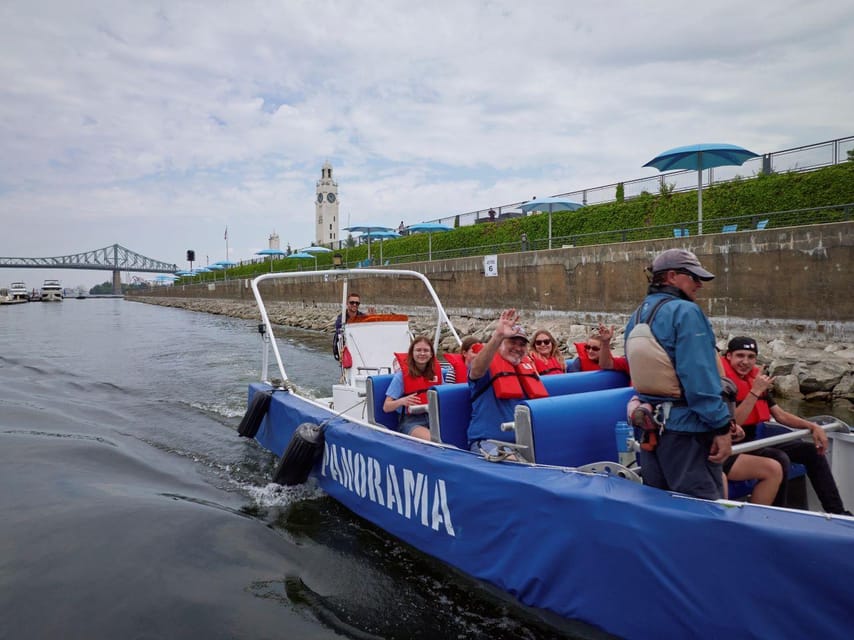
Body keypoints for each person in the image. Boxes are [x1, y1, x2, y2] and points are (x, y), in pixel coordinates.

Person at [624, 249, 733, 500]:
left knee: (660, 507)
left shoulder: (638, 315)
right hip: (688, 433)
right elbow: (699, 380)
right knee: (701, 511)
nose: (699, 285)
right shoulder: (686, 312)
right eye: (694, 277)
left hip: (653, 431)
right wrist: (722, 425)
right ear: (672, 276)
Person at [722, 336, 850, 514]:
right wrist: (754, 391)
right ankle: (777, 514)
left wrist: (813, 427)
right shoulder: (724, 384)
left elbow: (779, 415)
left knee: (812, 452)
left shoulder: (755, 381)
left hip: (754, 441)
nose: (745, 362)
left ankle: (837, 512)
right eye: (740, 356)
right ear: (728, 356)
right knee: (779, 458)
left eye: (751, 357)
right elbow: (733, 422)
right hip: (733, 444)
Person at [467, 309, 548, 456]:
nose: (517, 348)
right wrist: (498, 336)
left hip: (524, 444)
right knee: (515, 465)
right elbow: (476, 370)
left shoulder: (528, 371)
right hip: (490, 442)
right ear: (500, 344)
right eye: (512, 342)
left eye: (522, 344)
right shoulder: (486, 369)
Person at [383, 336, 443, 441]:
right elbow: (386, 407)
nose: (422, 353)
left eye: (426, 350)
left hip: (434, 418)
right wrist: (402, 401)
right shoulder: (401, 376)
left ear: (431, 354)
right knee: (434, 440)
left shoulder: (437, 374)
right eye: (418, 350)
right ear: (412, 353)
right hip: (411, 422)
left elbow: (445, 395)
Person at [332, 292, 374, 360]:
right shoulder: (341, 319)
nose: (354, 304)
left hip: (360, 348)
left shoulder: (362, 316)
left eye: (357, 303)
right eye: (352, 302)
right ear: (347, 303)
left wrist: (372, 318)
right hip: (347, 349)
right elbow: (339, 331)